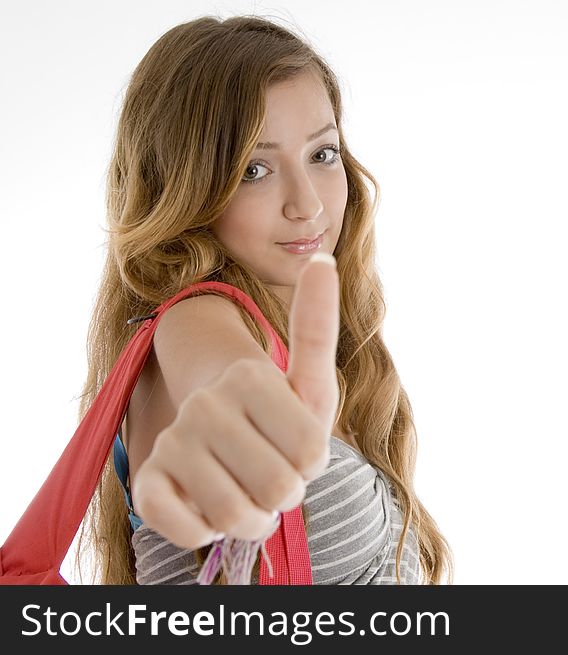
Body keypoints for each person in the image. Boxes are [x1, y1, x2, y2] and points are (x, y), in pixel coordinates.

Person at [73, 14, 453, 585]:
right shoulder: (195, 315)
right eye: (254, 169)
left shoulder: (303, 340)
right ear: (186, 189)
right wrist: (230, 404)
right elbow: (216, 373)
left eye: (322, 155)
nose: (307, 205)